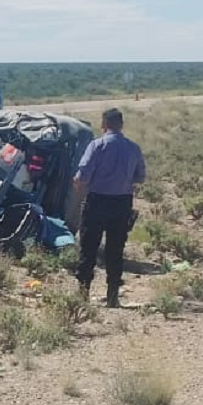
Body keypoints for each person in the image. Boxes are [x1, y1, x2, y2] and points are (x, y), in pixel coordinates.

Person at [73, 107, 146, 307]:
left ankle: (83, 294)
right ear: (121, 124)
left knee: (88, 248)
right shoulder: (133, 148)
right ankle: (112, 296)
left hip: (97, 202)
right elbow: (140, 177)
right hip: (122, 203)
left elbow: (82, 177)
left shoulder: (97, 146)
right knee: (116, 250)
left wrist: (79, 186)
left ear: (104, 124)